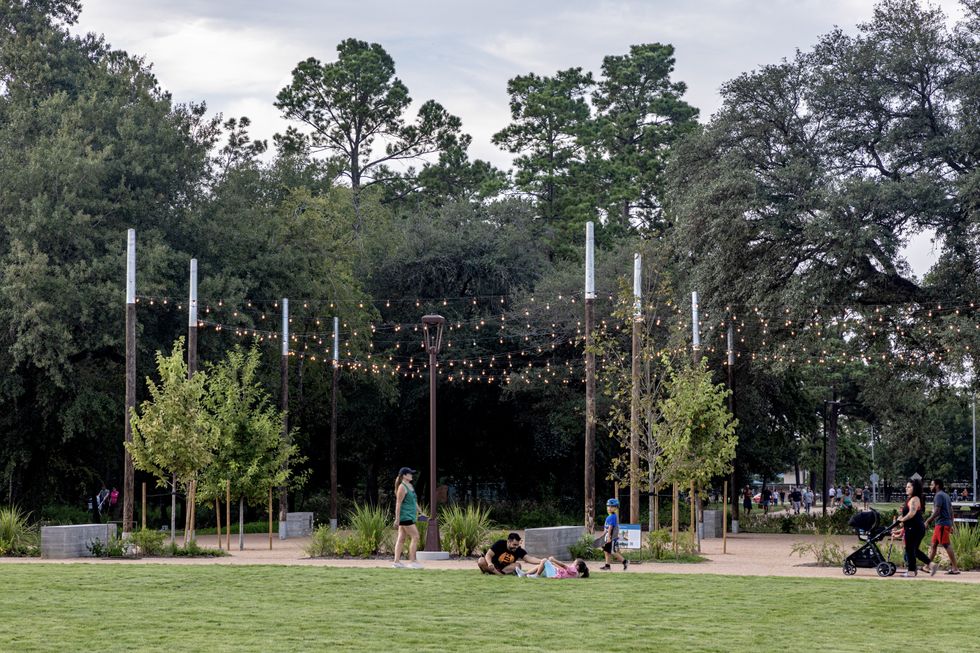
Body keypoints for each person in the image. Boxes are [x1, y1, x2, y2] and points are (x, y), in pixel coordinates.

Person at [893, 478, 931, 577]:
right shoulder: (910, 499)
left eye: (909, 487)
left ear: (915, 488)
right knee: (913, 550)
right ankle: (930, 564)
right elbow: (906, 514)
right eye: (906, 487)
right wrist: (900, 520)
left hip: (915, 528)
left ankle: (911, 571)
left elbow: (911, 513)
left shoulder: (915, 499)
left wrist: (902, 520)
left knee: (910, 549)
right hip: (912, 527)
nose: (906, 488)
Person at [924, 479, 960, 576]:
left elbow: (937, 512)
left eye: (932, 484)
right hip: (942, 524)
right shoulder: (946, 495)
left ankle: (955, 568)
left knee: (946, 544)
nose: (930, 486)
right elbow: (951, 510)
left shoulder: (938, 496)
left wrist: (927, 521)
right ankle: (927, 566)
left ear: (937, 485)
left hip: (942, 524)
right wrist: (951, 524)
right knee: (933, 545)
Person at [392, 467, 423, 569]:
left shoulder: (410, 486)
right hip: (405, 516)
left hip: (410, 516)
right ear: (404, 475)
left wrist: (421, 512)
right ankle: (412, 562)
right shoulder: (402, 487)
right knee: (415, 536)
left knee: (401, 538)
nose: (412, 475)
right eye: (410, 473)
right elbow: (398, 504)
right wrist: (397, 519)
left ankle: (396, 562)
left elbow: (414, 502)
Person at [599, 498, 628, 571]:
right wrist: (602, 536)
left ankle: (625, 561)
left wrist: (609, 537)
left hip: (611, 538)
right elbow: (606, 528)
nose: (609, 508)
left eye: (612, 507)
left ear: (616, 508)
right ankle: (607, 565)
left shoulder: (612, 516)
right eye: (608, 506)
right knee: (606, 551)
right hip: (607, 537)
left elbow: (610, 528)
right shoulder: (609, 516)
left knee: (612, 551)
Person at [518, 556, 590, 579]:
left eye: (574, 562)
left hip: (554, 574)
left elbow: (563, 565)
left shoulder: (574, 570)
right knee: (540, 566)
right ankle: (523, 574)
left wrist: (554, 559)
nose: (572, 563)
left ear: (577, 566)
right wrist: (553, 563)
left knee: (544, 560)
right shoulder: (575, 574)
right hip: (555, 573)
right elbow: (563, 570)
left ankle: (537, 575)